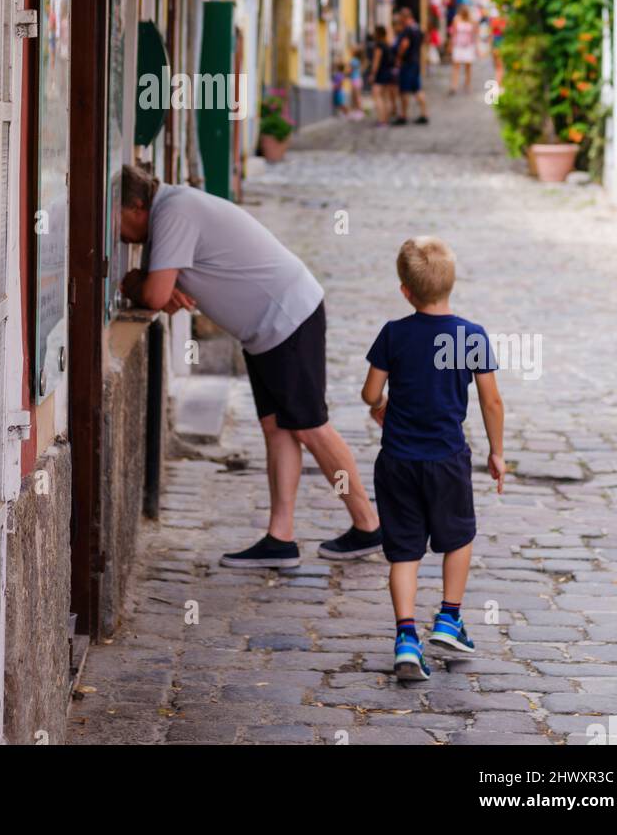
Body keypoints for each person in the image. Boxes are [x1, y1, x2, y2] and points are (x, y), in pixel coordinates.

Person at [118, 164, 383, 568]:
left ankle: (368, 525)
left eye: (116, 220)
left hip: (287, 317)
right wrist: (154, 284)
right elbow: (163, 290)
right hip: (266, 329)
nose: (117, 234)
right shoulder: (170, 209)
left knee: (310, 425)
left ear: (136, 206)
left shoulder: (172, 212)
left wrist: (135, 282)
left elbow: (155, 295)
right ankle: (281, 538)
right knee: (278, 426)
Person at [360, 237, 505, 681]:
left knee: (403, 552)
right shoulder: (471, 336)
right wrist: (497, 452)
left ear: (406, 290)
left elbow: (369, 393)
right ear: (452, 285)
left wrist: (379, 405)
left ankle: (406, 638)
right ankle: (448, 618)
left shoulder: (393, 334)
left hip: (398, 460)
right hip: (446, 459)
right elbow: (491, 401)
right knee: (458, 537)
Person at [392, 7, 429, 125]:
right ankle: (424, 113)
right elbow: (425, 40)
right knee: (417, 89)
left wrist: (398, 57)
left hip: (407, 62)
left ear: (404, 17)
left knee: (404, 91)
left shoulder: (407, 30)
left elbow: (404, 44)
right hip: (415, 61)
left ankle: (403, 115)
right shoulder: (417, 28)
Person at [369, 24, 396, 126]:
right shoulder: (387, 45)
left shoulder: (379, 46)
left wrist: (372, 74)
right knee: (385, 97)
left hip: (380, 74)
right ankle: (385, 119)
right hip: (388, 73)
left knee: (377, 96)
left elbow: (376, 61)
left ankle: (381, 119)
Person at [449, 4, 479, 94]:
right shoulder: (456, 19)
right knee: (456, 66)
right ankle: (454, 85)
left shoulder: (472, 20)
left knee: (468, 67)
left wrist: (476, 47)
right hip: (458, 46)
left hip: (468, 46)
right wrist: (451, 45)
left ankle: (467, 84)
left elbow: (475, 34)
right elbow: (453, 33)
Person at [347, 46, 365, 119]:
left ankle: (359, 112)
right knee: (356, 97)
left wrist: (346, 73)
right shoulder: (359, 60)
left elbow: (350, 70)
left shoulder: (353, 60)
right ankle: (357, 112)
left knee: (356, 97)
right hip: (359, 79)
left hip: (355, 80)